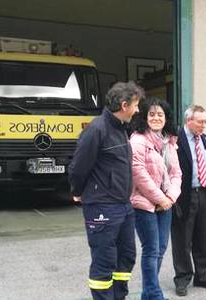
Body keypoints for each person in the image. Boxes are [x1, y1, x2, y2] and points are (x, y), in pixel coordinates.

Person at [68, 81, 143, 300]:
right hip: (102, 205)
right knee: (104, 262)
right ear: (124, 105)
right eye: (136, 105)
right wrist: (77, 190)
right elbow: (78, 167)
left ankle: (119, 297)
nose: (138, 110)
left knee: (126, 257)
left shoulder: (120, 129)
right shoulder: (97, 129)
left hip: (123, 205)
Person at [129, 97, 183, 299]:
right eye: (151, 114)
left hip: (166, 203)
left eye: (160, 114)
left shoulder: (169, 141)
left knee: (160, 249)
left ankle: (147, 294)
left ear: (166, 118)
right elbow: (138, 174)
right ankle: (154, 294)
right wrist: (161, 199)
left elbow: (177, 173)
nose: (156, 118)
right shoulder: (137, 140)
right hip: (144, 204)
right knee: (151, 249)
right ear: (144, 116)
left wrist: (170, 197)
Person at [171, 105, 206, 296]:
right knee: (182, 239)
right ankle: (182, 278)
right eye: (200, 121)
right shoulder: (175, 139)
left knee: (203, 237)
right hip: (184, 195)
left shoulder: (205, 140)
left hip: (203, 193)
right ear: (188, 120)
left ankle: (202, 276)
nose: (204, 125)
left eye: (205, 121)